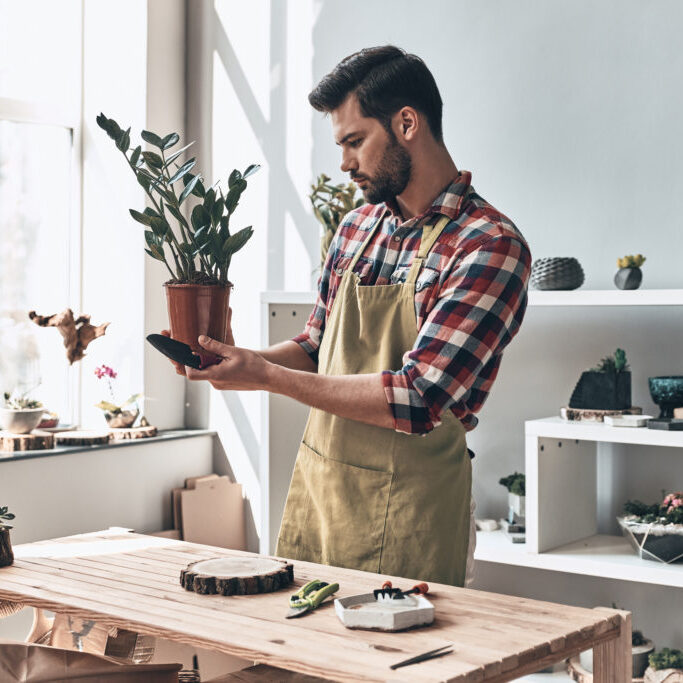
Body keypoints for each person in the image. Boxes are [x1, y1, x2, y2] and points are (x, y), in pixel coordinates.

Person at [169, 46, 531, 588]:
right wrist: (242, 364)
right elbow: (317, 347)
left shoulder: (488, 247)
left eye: (354, 141)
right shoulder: (356, 229)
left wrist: (270, 378)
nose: (343, 164)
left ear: (407, 122)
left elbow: (418, 397)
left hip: (415, 513)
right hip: (323, 495)